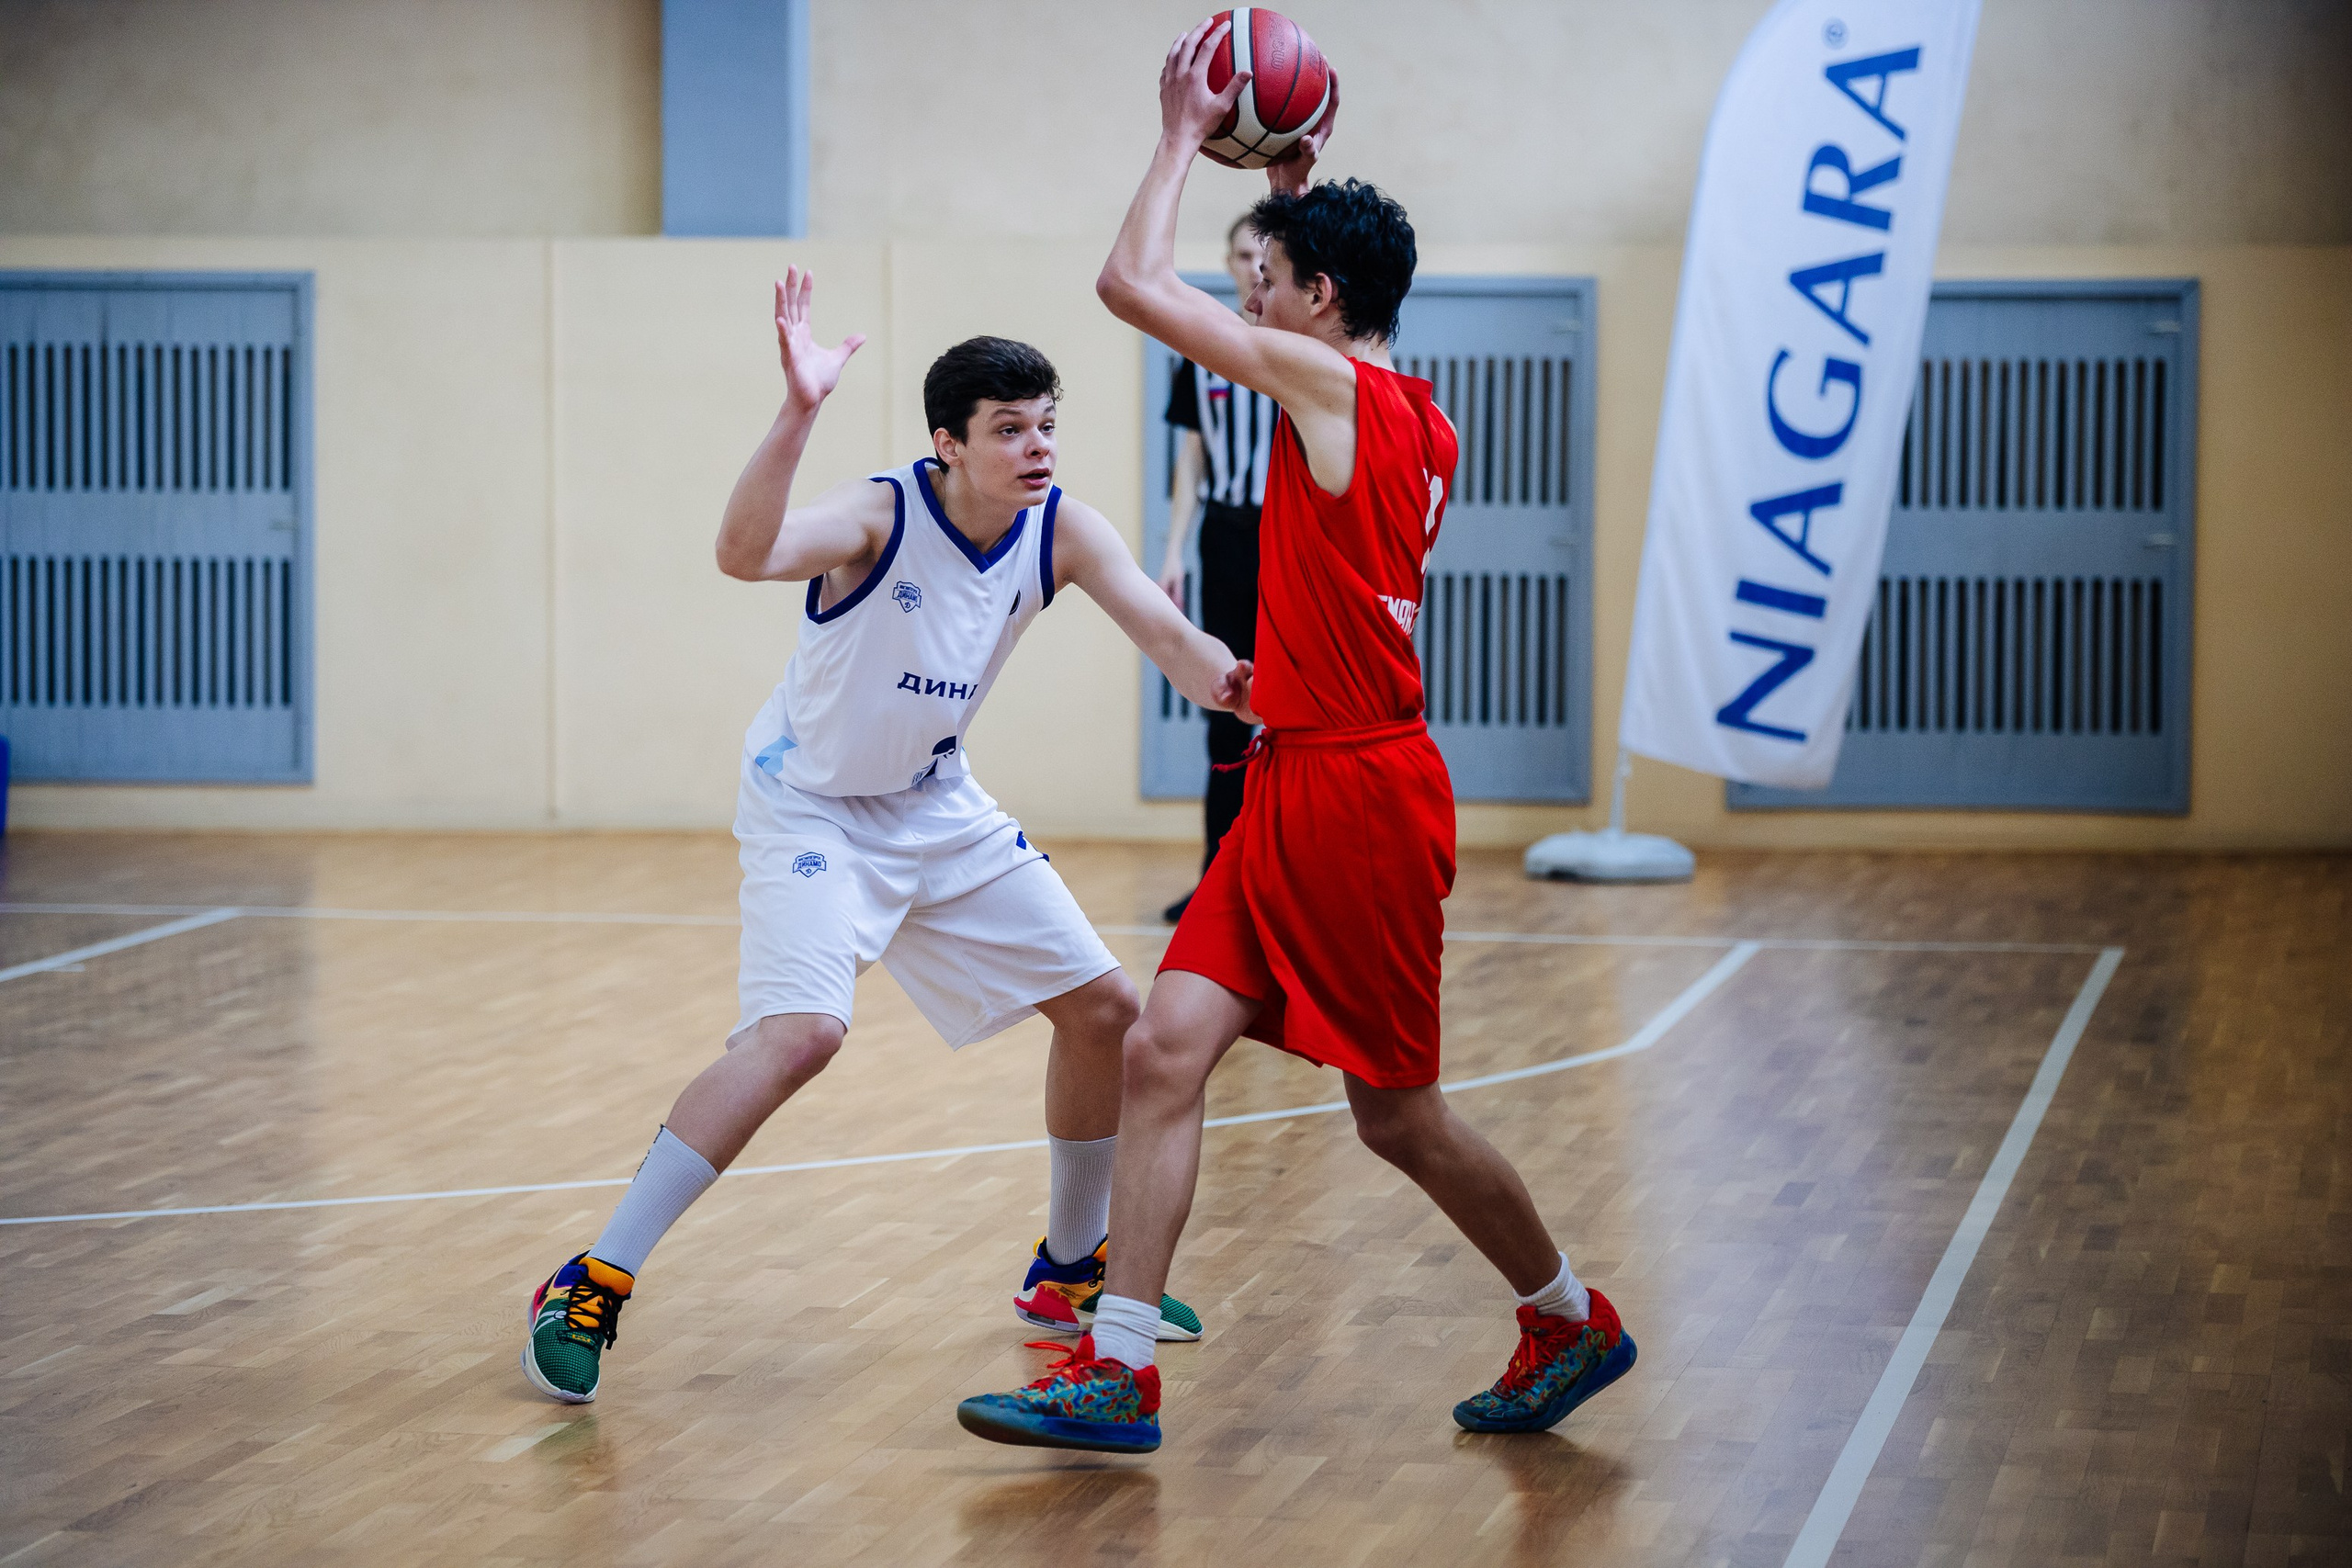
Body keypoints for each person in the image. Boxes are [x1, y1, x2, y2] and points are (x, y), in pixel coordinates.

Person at [955, 20, 1634, 1455]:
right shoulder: (1417, 413)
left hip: (1363, 799)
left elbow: (1127, 284)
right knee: (1162, 1046)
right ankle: (1118, 1367)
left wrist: (1176, 130)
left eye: (1266, 282)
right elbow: (1336, 482)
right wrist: (1278, 182)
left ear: (1323, 303)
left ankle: (1569, 1310)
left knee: (1399, 1119)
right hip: (1299, 774)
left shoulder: (1331, 388)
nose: (1242, 298)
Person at [522, 268, 1252, 1404]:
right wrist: (798, 411)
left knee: (1106, 1009)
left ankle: (1067, 1269)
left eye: (1046, 425)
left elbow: (1173, 641)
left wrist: (1249, 688)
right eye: (1009, 429)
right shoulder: (880, 514)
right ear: (946, 443)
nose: (1038, 447)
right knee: (802, 1035)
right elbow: (743, 552)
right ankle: (593, 1275)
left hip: (937, 806)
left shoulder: (1060, 530)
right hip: (813, 807)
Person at [1158, 217, 1281, 923]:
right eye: (1240, 255)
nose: (1250, 268)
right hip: (1226, 538)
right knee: (1225, 700)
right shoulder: (1202, 353)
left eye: (1264, 257)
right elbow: (1192, 458)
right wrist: (1174, 549)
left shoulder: (1300, 348)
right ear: (1229, 263)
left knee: (1290, 709)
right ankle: (1217, 876)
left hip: (1288, 538)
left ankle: (1285, 883)